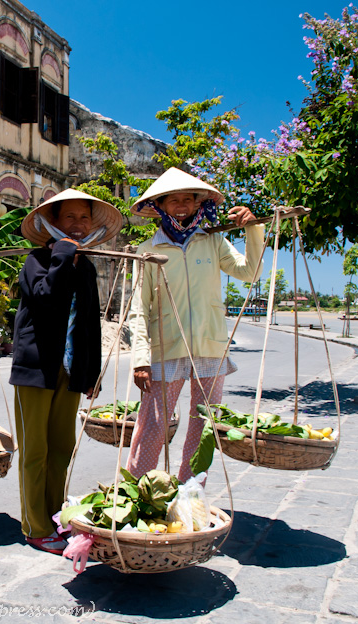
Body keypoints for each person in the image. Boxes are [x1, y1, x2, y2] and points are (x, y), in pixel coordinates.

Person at [125, 167, 264, 483]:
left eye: (188, 199)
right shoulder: (148, 250)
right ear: (161, 205)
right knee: (153, 426)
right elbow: (139, 309)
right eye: (174, 200)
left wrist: (252, 229)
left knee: (204, 426)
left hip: (209, 347)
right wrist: (141, 360)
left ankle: (189, 493)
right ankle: (135, 489)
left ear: (199, 204)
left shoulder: (213, 242)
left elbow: (249, 273)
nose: (182, 205)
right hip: (167, 347)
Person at [10, 188, 122, 554]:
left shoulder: (87, 267)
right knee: (35, 451)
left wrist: (90, 375)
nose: (77, 224)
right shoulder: (37, 260)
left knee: (62, 448)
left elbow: (91, 323)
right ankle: (35, 526)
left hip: (70, 370)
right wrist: (61, 257)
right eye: (69, 218)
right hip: (36, 369)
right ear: (53, 223)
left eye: (84, 218)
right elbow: (44, 299)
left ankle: (57, 517)